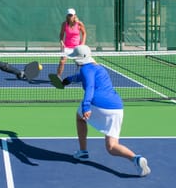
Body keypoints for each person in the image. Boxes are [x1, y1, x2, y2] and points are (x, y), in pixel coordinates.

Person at [61, 45, 151, 177]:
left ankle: (83, 151)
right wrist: (67, 80)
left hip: (99, 104)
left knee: (79, 117)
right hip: (117, 108)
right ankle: (136, 158)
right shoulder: (98, 68)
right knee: (112, 147)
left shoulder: (86, 69)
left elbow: (90, 86)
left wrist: (86, 106)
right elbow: (79, 77)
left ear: (80, 59)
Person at [57, 8, 86, 78]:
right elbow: (61, 34)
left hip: (77, 47)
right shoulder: (64, 24)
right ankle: (58, 77)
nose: (70, 16)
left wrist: (82, 44)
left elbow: (84, 33)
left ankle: (85, 76)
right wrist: (61, 41)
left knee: (82, 63)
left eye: (71, 15)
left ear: (74, 15)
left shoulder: (79, 24)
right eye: (68, 15)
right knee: (62, 62)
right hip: (67, 47)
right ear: (67, 16)